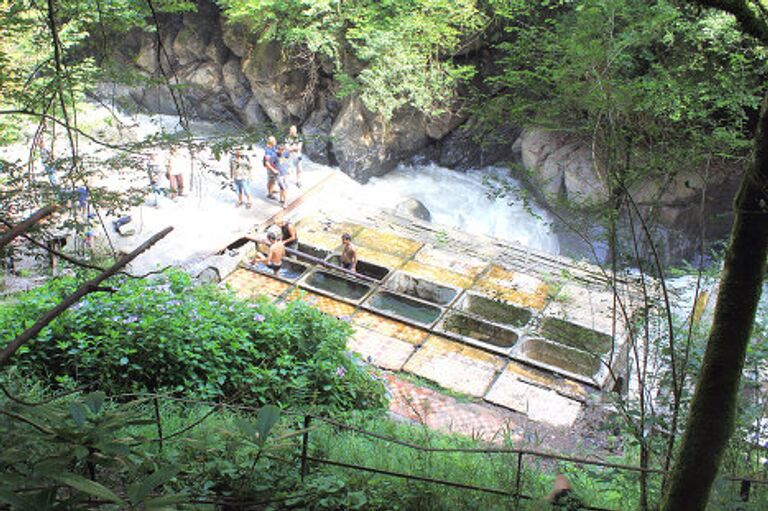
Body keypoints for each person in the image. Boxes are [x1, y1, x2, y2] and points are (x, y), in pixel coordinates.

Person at [263, 136, 279, 200]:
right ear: (271, 142)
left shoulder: (273, 147)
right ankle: (270, 193)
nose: (276, 142)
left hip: (274, 166)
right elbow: (267, 162)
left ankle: (272, 189)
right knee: (271, 180)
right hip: (271, 167)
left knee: (273, 180)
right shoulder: (268, 150)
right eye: (274, 141)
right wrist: (273, 169)